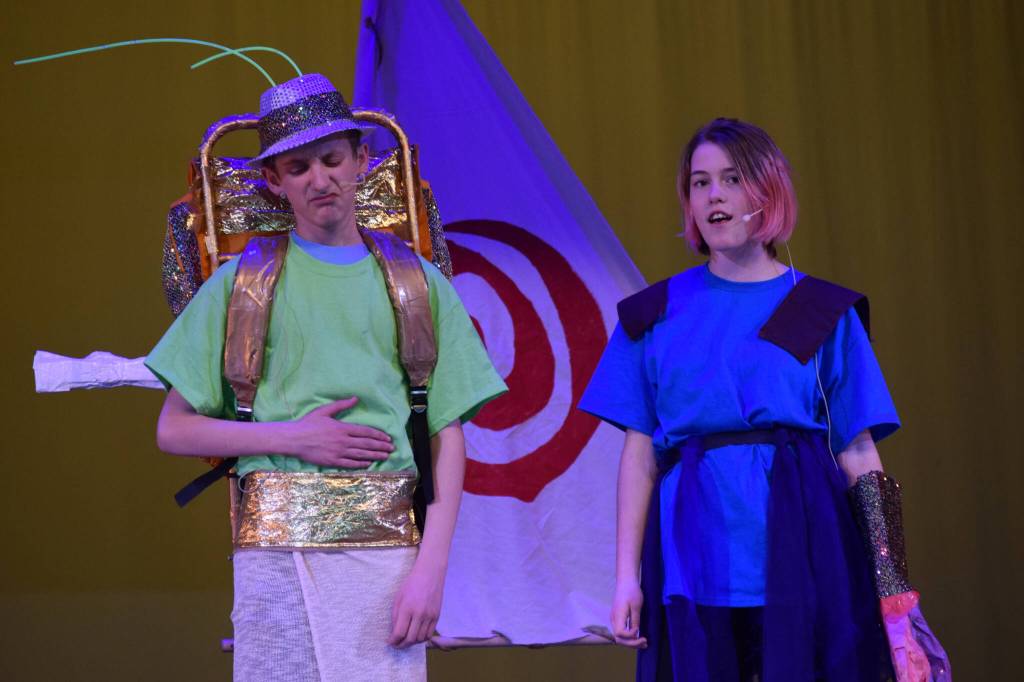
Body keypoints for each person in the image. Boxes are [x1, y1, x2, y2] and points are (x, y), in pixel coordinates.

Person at [146, 73, 506, 681]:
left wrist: (432, 570)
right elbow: (175, 430)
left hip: (387, 551)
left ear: (362, 160)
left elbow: (446, 433)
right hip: (275, 552)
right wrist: (291, 437)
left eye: (333, 159)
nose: (320, 179)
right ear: (274, 181)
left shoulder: (415, 283)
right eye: (298, 167)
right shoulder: (242, 287)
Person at [579, 118, 947, 681]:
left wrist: (895, 591)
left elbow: (858, 453)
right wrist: (626, 576)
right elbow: (639, 455)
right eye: (699, 183)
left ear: (767, 190)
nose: (714, 195)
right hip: (692, 554)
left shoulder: (821, 309)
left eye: (732, 178)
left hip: (806, 546)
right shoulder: (654, 314)